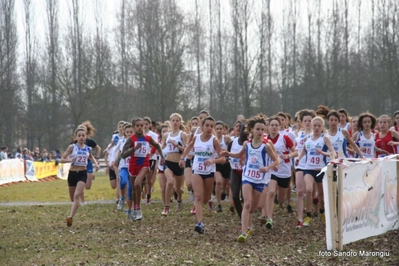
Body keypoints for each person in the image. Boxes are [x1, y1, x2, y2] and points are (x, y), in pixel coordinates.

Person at [222, 116, 279, 243]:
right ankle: (243, 232)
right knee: (246, 203)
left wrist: (267, 167)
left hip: (260, 179)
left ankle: (250, 223)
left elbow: (277, 160)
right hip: (247, 176)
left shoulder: (266, 146)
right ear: (252, 130)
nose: (260, 132)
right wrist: (228, 154)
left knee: (256, 207)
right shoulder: (247, 144)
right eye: (257, 129)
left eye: (262, 129)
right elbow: (239, 155)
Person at [179, 116, 225, 234]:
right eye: (207, 125)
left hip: (209, 172)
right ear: (202, 127)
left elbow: (223, 159)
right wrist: (183, 158)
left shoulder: (214, 140)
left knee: (205, 199)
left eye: (211, 126)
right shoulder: (196, 138)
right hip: (197, 170)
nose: (209, 128)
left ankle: (209, 200)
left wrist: (212, 161)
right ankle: (200, 223)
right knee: (198, 197)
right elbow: (189, 146)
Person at [121, 118, 165, 221]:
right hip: (133, 166)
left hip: (145, 165)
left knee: (137, 184)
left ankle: (139, 209)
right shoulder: (131, 139)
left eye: (142, 125)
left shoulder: (148, 138)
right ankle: (135, 209)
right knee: (133, 190)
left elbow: (157, 145)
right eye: (138, 126)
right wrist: (134, 149)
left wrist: (162, 157)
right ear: (134, 127)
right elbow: (123, 155)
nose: (140, 127)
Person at [296, 117, 335, 226]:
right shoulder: (307, 138)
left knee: (321, 196)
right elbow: (303, 151)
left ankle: (322, 211)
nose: (317, 128)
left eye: (319, 126)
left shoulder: (325, 138)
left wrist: (324, 153)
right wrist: (299, 158)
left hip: (320, 170)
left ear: (322, 127)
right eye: (315, 126)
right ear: (312, 126)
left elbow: (333, 153)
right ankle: (308, 215)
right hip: (308, 169)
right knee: (308, 190)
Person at [61, 126, 99, 227]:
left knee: (77, 195)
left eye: (83, 135)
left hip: (82, 173)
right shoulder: (72, 147)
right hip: (72, 173)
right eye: (79, 136)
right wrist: (70, 160)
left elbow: (91, 156)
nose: (81, 137)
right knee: (73, 198)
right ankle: (74, 209)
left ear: (86, 137)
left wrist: (96, 164)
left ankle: (70, 217)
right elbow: (62, 159)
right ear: (76, 137)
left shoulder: (88, 148)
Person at [264, 117, 298, 229]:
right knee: (271, 192)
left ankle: (279, 201)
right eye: (272, 125)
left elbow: (295, 152)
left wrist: (288, 155)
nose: (274, 127)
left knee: (280, 198)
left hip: (284, 170)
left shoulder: (284, 138)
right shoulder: (264, 139)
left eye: (276, 125)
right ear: (268, 127)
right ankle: (269, 218)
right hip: (272, 170)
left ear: (279, 127)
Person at [160, 113, 188, 216]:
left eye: (177, 120)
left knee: (178, 189)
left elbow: (186, 149)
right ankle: (166, 207)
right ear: (170, 122)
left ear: (180, 122)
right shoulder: (166, 135)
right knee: (170, 182)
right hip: (168, 162)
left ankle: (179, 200)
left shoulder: (182, 134)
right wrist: (159, 155)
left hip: (178, 164)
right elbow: (162, 147)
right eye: (173, 120)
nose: (175, 122)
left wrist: (176, 144)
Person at [294, 109, 316, 228]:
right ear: (301, 122)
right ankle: (300, 219)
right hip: (300, 165)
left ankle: (314, 209)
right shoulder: (299, 135)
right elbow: (296, 149)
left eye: (309, 120)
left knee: (311, 192)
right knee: (300, 192)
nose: (307, 123)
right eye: (305, 121)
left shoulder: (316, 135)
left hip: (312, 166)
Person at [78, 121, 102, 206]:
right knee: (79, 184)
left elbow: (98, 149)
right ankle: (82, 201)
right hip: (79, 166)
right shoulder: (75, 142)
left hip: (88, 164)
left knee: (87, 187)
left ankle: (90, 177)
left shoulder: (89, 141)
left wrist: (97, 159)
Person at [114, 123, 133, 211]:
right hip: (124, 166)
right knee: (122, 182)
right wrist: (116, 159)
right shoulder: (122, 141)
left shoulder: (136, 141)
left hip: (133, 167)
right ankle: (122, 198)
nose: (129, 133)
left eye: (131, 132)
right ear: (125, 133)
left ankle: (130, 208)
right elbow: (118, 150)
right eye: (127, 132)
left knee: (130, 188)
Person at [214, 121, 232, 212]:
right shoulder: (212, 139)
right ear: (214, 130)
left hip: (226, 163)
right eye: (217, 129)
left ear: (224, 130)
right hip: (217, 163)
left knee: (226, 182)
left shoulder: (227, 139)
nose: (219, 130)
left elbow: (233, 148)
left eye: (220, 129)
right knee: (218, 182)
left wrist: (227, 151)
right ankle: (219, 204)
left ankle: (224, 191)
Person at [143, 117, 160, 205]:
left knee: (148, 179)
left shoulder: (153, 135)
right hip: (141, 158)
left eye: (146, 124)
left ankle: (148, 196)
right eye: (143, 124)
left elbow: (155, 146)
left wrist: (151, 153)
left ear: (150, 125)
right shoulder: (139, 134)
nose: (145, 126)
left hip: (151, 158)